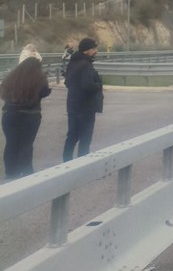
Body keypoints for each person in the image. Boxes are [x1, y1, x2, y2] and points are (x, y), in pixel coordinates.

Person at [2, 47, 52, 179]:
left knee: (11, 142)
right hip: (30, 115)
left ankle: (11, 170)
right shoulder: (38, 79)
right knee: (26, 143)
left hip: (9, 114)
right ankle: (26, 170)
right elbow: (45, 92)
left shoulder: (12, 77)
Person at [63, 37, 103, 161]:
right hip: (86, 107)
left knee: (72, 135)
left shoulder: (73, 63)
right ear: (87, 50)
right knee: (85, 138)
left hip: (73, 105)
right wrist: (99, 85)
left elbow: (67, 82)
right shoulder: (86, 65)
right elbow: (88, 85)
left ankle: (66, 162)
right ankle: (82, 164)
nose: (96, 51)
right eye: (94, 48)